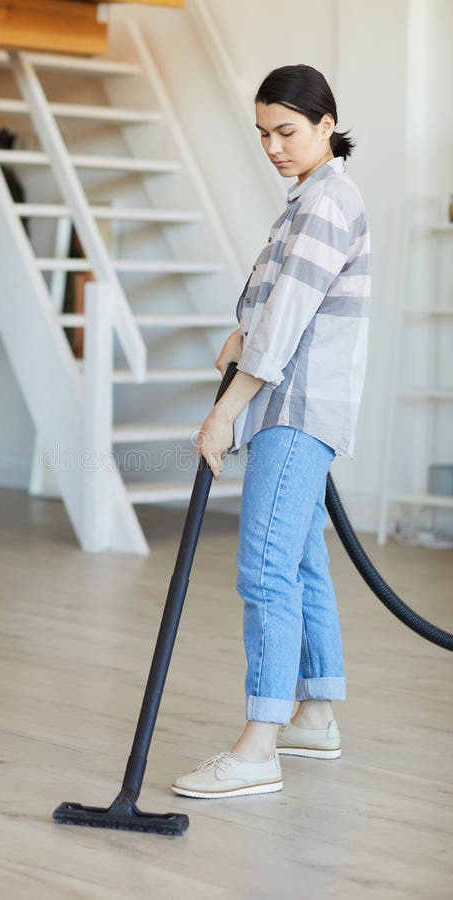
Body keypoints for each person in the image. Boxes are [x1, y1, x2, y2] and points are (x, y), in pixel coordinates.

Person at [172, 64, 371, 799]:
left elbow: (288, 320)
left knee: (262, 566)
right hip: (293, 402)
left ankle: (259, 746)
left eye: (286, 130)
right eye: (263, 133)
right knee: (299, 562)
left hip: (295, 408)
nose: (273, 146)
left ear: (325, 124)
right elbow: (281, 302)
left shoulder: (326, 202)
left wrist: (225, 411)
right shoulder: (310, 199)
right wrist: (239, 333)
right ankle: (312, 713)